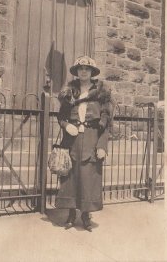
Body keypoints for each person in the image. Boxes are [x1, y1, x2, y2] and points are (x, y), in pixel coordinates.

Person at [55, 56, 112, 232]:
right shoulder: (69, 92)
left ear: (92, 72)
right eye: (80, 68)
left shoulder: (102, 93)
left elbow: (107, 120)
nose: (84, 71)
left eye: (87, 69)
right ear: (77, 72)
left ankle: (86, 215)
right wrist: (67, 125)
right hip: (72, 139)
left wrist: (102, 146)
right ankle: (71, 214)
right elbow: (61, 117)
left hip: (92, 137)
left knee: (89, 176)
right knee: (70, 176)